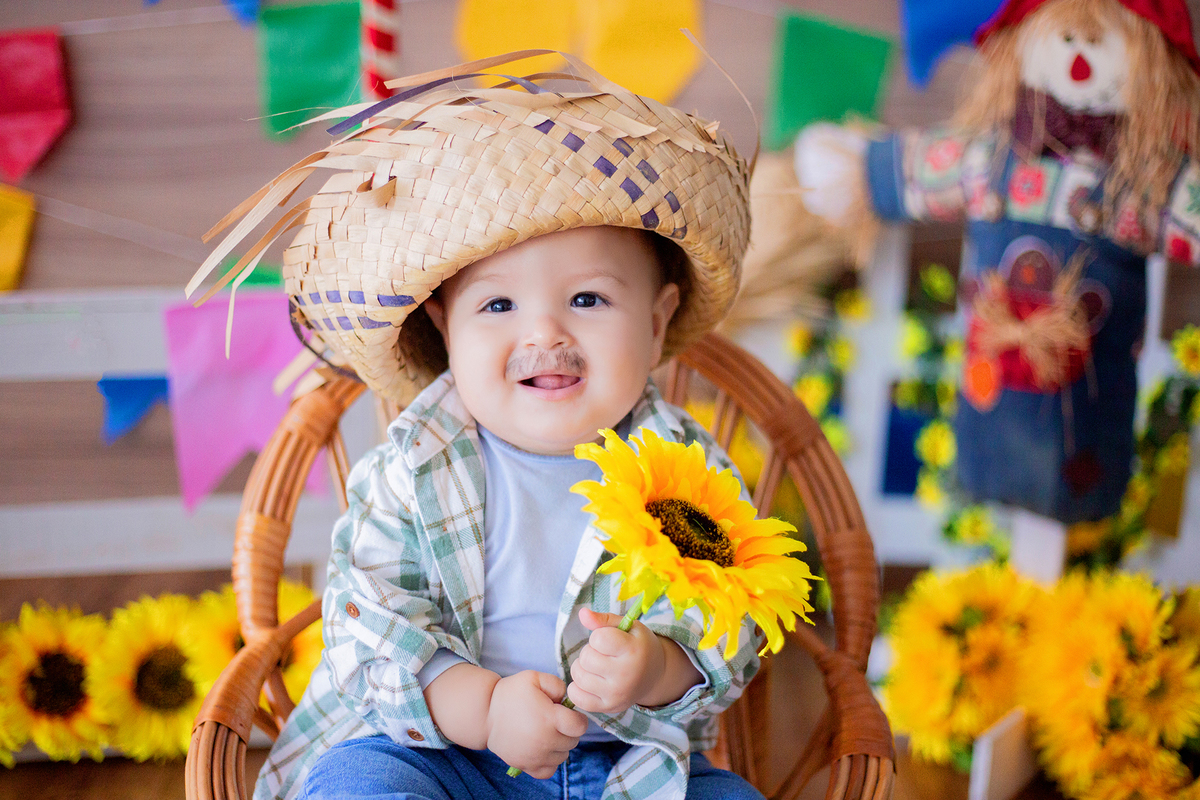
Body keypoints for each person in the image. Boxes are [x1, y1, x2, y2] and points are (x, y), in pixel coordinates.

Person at [193, 53, 759, 800]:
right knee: (358, 785)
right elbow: (370, 623)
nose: (544, 332)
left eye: (588, 299)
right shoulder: (413, 463)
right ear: (445, 327)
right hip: (436, 752)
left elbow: (734, 625)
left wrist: (658, 667)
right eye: (498, 305)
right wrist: (485, 708)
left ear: (656, 325)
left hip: (629, 764)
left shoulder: (690, 469)